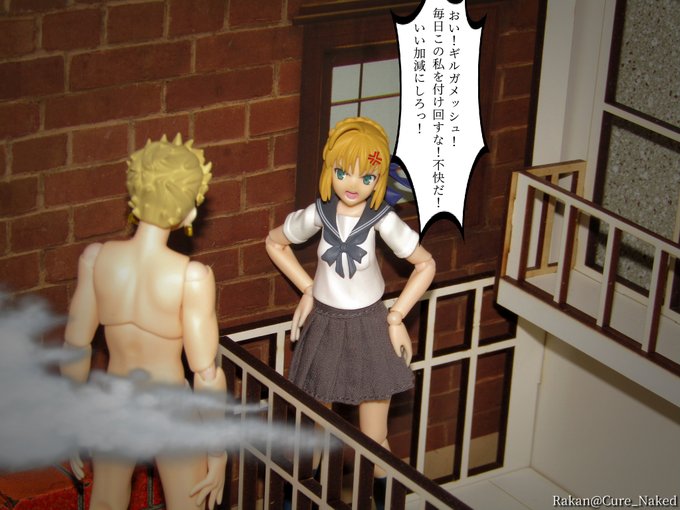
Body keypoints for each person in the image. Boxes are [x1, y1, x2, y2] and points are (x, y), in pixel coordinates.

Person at [266, 117, 435, 509]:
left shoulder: (382, 220)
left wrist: (396, 317)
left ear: (379, 179)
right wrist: (308, 288)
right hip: (325, 326)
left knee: (374, 438)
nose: (353, 184)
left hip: (369, 328)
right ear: (330, 170)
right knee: (314, 431)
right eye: (343, 172)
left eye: (367, 176)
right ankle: (299, 502)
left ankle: (387, 503)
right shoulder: (318, 214)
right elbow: (275, 243)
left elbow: (425, 264)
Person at [61, 135, 227, 510]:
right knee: (188, 503)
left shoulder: (96, 260)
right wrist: (218, 451)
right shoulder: (191, 277)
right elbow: (206, 374)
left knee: (106, 501)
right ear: (189, 210)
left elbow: (75, 346)